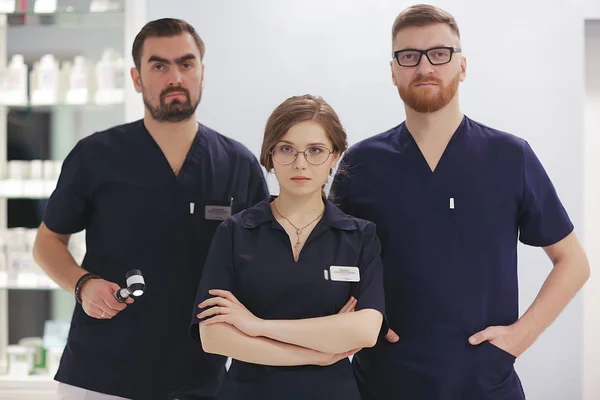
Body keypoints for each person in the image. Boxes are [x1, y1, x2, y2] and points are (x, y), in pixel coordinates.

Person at [329, 4, 590, 400]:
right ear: (393, 70)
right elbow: (329, 262)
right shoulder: (362, 163)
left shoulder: (510, 157)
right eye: (408, 56)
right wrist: (355, 323)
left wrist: (522, 335)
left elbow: (574, 262)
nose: (424, 67)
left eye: (439, 53)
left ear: (462, 67)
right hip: (384, 381)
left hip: (484, 383)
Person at [32, 18, 269, 400]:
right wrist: (81, 284)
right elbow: (47, 242)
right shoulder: (95, 156)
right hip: (100, 376)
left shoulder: (237, 165)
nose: (174, 76)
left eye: (186, 64)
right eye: (159, 65)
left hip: (201, 377)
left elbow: (264, 263)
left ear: (202, 74)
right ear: (137, 78)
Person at [189, 94, 387, 400]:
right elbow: (214, 337)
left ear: (335, 156)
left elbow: (364, 331)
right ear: (269, 155)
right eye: (286, 149)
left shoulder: (359, 236)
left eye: (315, 151)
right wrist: (317, 351)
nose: (300, 163)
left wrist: (256, 326)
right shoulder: (235, 232)